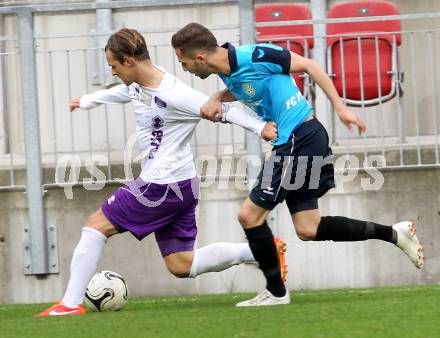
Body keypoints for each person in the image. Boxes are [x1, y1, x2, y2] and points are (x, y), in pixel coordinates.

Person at [35, 28, 288, 317]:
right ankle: (264, 249)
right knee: (182, 265)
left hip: (161, 186)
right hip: (181, 185)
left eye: (114, 66)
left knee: (95, 225)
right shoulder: (141, 81)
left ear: (129, 61)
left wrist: (261, 128)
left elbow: (223, 111)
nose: (113, 71)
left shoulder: (175, 94)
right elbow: (126, 92)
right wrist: (91, 100)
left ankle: (69, 304)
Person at [171, 22, 424, 307]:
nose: (186, 69)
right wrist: (218, 96)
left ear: (200, 58)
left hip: (299, 139)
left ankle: (276, 292)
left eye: (185, 63)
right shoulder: (226, 72)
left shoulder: (254, 55)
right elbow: (247, 87)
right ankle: (394, 233)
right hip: (301, 141)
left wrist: (340, 108)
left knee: (248, 216)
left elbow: (309, 65)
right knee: (309, 228)